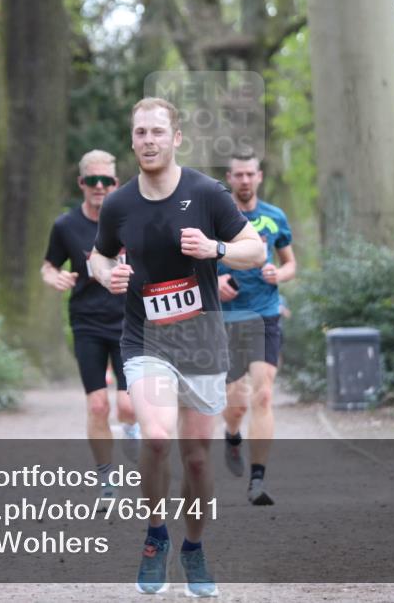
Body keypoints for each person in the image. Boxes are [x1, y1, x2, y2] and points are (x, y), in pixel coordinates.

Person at [90, 98, 265, 597]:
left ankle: (193, 547)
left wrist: (217, 249)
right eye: (140, 132)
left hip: (202, 342)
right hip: (145, 338)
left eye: (157, 132)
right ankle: (155, 538)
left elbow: (255, 250)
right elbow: (97, 259)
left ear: (176, 138)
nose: (148, 140)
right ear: (132, 140)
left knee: (195, 460)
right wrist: (109, 276)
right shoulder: (120, 203)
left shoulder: (207, 193)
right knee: (158, 437)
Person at [42, 150, 139, 499]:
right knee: (98, 404)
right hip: (87, 323)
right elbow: (49, 265)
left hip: (130, 321)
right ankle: (106, 480)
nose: (100, 187)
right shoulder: (66, 225)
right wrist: (53, 278)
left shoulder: (131, 219)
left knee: (128, 406)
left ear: (116, 183)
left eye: (107, 181)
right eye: (92, 181)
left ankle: (131, 430)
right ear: (82, 183)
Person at [217, 152, 297, 506]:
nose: (245, 180)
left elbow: (290, 263)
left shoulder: (274, 217)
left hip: (265, 313)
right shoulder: (216, 217)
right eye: (239, 175)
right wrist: (216, 278)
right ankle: (232, 435)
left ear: (259, 176)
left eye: (251, 174)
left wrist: (278, 274)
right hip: (227, 317)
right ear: (229, 178)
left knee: (263, 395)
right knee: (235, 403)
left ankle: (258, 481)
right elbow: (196, 258)